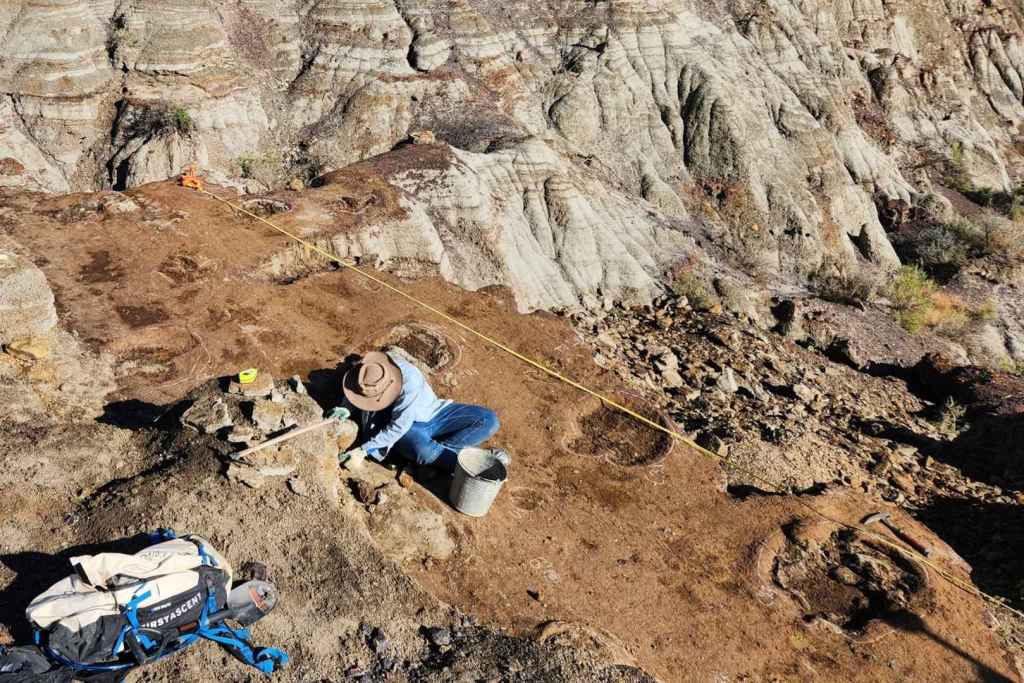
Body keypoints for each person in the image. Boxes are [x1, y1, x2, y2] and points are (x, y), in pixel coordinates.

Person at [340, 350, 506, 472]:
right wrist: (345, 409)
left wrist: (363, 450)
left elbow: (398, 426)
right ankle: (477, 465)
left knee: (488, 420)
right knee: (424, 452)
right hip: (409, 429)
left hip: (434, 412)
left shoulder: (409, 379)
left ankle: (454, 455)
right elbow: (357, 388)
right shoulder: (370, 369)